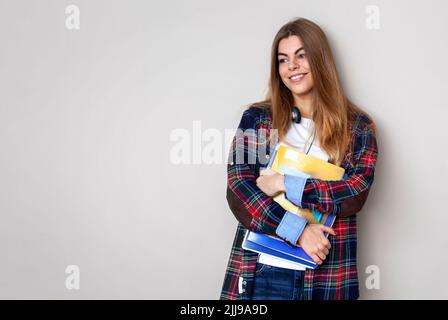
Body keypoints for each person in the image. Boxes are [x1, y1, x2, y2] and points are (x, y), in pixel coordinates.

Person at [220, 17, 379, 300]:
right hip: (262, 272)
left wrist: (285, 183)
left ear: (320, 60)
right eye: (283, 59)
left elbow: (355, 193)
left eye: (301, 56)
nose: (291, 66)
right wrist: (298, 231)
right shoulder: (257, 120)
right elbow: (239, 192)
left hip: (326, 274)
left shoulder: (357, 127)